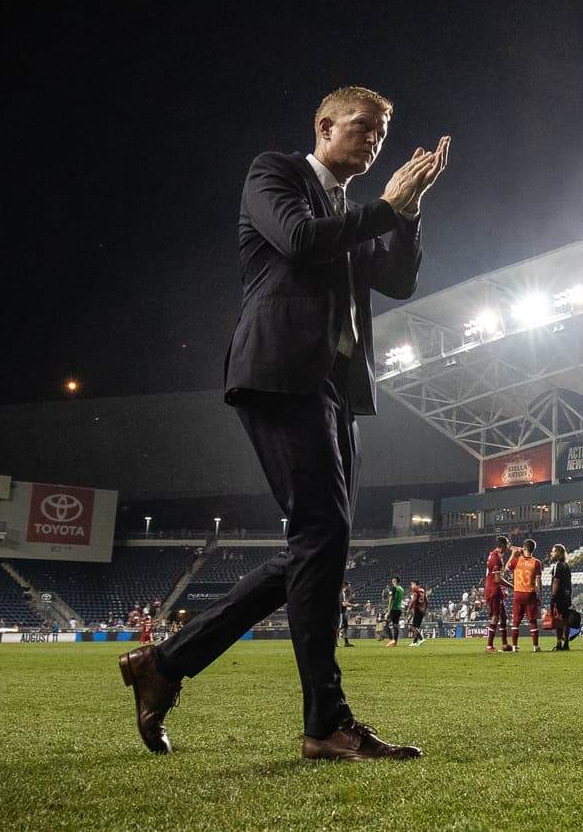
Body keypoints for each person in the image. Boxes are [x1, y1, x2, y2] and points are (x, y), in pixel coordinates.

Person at [118, 86, 449, 760]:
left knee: (317, 547)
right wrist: (384, 207)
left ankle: (168, 662)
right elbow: (298, 243)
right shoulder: (276, 175)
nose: (374, 141)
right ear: (325, 126)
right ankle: (324, 723)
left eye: (383, 134)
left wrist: (406, 216)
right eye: (363, 127)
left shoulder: (350, 213)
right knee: (320, 538)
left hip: (334, 390)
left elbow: (399, 281)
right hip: (279, 375)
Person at [508, 539, 544, 652]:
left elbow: (506, 567)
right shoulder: (536, 562)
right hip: (530, 593)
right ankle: (535, 646)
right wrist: (540, 595)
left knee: (516, 621)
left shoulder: (516, 560)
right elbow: (538, 581)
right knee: (532, 621)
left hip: (518, 592)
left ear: (524, 548)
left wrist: (513, 553)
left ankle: (514, 646)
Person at [485, 536, 511, 652]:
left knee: (503, 617)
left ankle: (505, 644)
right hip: (494, 589)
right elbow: (498, 579)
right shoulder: (496, 558)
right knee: (496, 616)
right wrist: (512, 586)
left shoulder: (493, 554)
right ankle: (489, 645)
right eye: (507, 545)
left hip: (494, 589)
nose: (508, 547)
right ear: (503, 545)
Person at [548, 544, 572, 651]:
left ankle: (558, 643)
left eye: (553, 551)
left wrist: (553, 597)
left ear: (557, 553)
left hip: (559, 595)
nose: (551, 553)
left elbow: (556, 582)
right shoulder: (566, 565)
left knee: (558, 620)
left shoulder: (558, 565)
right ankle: (566, 643)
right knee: (566, 620)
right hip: (567, 595)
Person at [384, 576, 404, 648]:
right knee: (395, 626)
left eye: (392, 581)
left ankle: (391, 639)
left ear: (395, 581)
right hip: (399, 609)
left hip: (393, 609)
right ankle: (395, 642)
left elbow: (391, 598)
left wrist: (388, 611)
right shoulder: (401, 589)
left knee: (384, 624)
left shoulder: (393, 588)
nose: (392, 582)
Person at [407, 580, 427, 646]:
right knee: (416, 627)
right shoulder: (422, 590)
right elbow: (426, 600)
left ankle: (421, 638)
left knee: (413, 626)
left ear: (415, 584)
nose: (411, 586)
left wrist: (409, 608)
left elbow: (414, 599)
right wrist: (425, 609)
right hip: (422, 609)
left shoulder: (415, 589)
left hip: (417, 609)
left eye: (412, 584)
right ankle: (414, 642)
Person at [339, 583, 356, 647]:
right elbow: (344, 604)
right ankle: (334, 642)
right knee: (339, 627)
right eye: (349, 585)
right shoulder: (341, 593)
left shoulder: (344, 594)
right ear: (346, 586)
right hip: (340, 612)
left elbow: (345, 602)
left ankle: (346, 642)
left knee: (345, 627)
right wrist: (353, 605)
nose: (350, 587)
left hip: (343, 612)